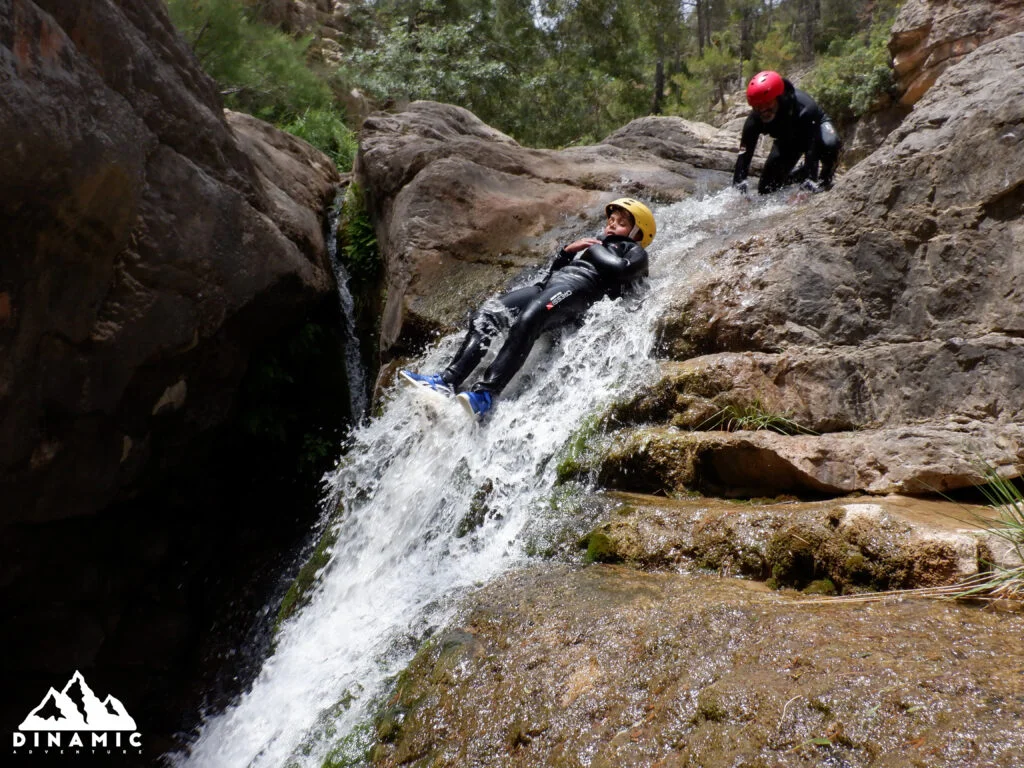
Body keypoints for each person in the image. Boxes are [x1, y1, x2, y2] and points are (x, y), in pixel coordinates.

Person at [399, 198, 655, 419]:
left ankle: (485, 395)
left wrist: (596, 247)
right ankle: (447, 381)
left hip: (579, 290)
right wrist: (567, 252)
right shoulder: (595, 244)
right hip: (551, 285)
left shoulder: (633, 252)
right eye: (611, 219)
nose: (611, 224)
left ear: (637, 234)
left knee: (528, 320)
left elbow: (622, 270)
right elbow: (557, 272)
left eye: (621, 223)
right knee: (487, 315)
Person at [733, 70, 842, 196]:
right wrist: (738, 193)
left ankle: (825, 179)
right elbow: (744, 156)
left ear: (779, 98)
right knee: (766, 190)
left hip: (815, 130)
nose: (763, 111)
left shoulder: (805, 109)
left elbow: (812, 148)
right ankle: (798, 175)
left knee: (831, 145)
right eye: (758, 106)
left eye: (768, 103)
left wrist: (808, 186)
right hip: (787, 140)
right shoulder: (755, 119)